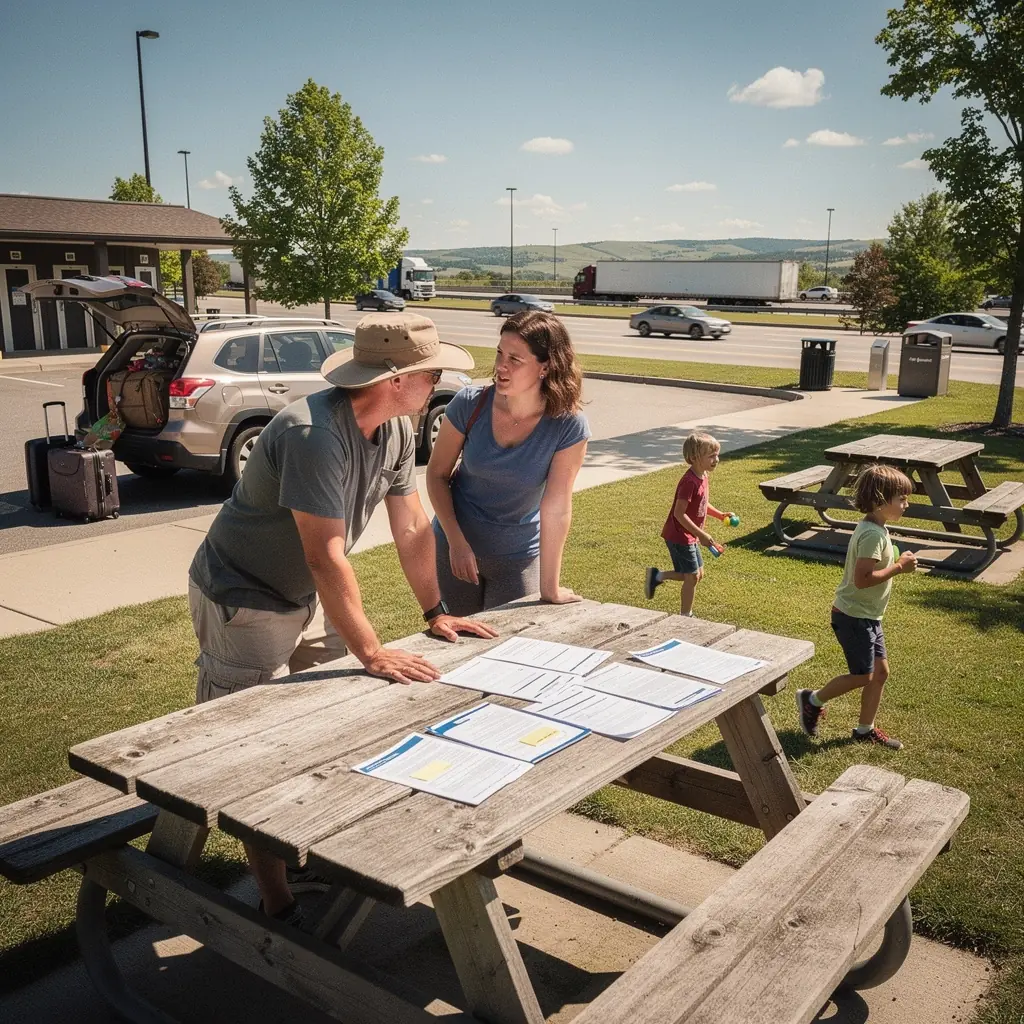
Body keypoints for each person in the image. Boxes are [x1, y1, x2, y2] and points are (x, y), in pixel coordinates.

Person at [188, 311, 498, 928]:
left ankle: (308, 855)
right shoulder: (313, 434)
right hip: (244, 596)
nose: (437, 383)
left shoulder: (398, 427)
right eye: (431, 373)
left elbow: (412, 526)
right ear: (396, 379)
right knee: (251, 751)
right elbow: (325, 554)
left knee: (324, 730)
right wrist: (371, 651)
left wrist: (436, 612)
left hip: (307, 595)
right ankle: (275, 901)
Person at [426, 310, 590, 613]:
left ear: (546, 366)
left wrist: (550, 588)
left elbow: (557, 507)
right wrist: (456, 542)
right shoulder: (469, 403)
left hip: (518, 558)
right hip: (455, 549)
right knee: (455, 638)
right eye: (500, 353)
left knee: (515, 638)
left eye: (515, 359)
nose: (501, 366)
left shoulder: (568, 425)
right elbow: (436, 475)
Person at [796, 464, 918, 750]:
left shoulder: (876, 527)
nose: (906, 504)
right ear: (879, 500)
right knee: (864, 675)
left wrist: (895, 562)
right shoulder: (873, 535)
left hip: (868, 615)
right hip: (853, 616)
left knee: (880, 673)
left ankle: (865, 730)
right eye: (901, 498)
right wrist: (898, 568)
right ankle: (812, 700)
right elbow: (862, 580)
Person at [644, 431, 734, 617]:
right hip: (679, 534)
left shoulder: (703, 476)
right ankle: (686, 616)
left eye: (717, 455)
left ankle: (657, 576)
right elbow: (679, 513)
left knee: (697, 574)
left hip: (689, 534)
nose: (716, 460)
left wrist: (720, 515)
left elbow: (702, 503)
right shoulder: (689, 482)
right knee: (692, 577)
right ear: (694, 458)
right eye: (711, 456)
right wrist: (701, 534)